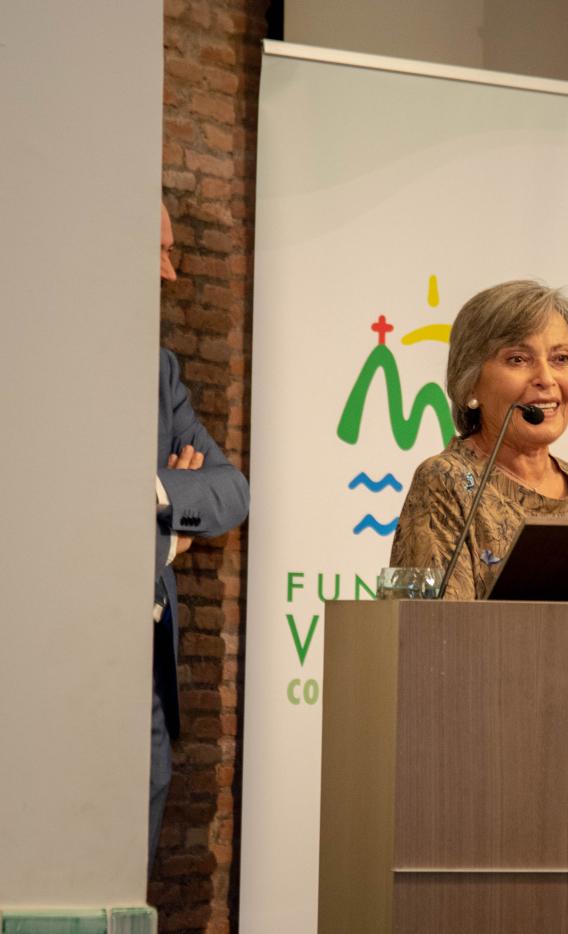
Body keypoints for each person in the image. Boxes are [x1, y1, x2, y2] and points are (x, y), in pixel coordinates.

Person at [390, 279, 568, 599]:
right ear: (471, 382)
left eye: (561, 358)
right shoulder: (447, 481)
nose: (546, 379)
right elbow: (434, 632)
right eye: (518, 359)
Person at [151, 201, 250, 874]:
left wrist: (158, 493)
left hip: (146, 680)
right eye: (156, 250)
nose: (172, 274)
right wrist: (167, 542)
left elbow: (231, 490)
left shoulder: (160, 371)